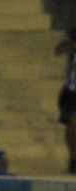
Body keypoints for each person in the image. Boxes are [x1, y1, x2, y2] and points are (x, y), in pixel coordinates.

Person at [55, 26, 76, 173]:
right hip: (72, 89)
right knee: (73, 124)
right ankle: (73, 158)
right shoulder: (70, 36)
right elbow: (58, 50)